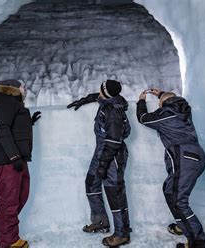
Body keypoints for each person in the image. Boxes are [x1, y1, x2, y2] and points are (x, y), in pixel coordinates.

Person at [136, 89, 205, 248]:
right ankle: (185, 226)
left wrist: (141, 101)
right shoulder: (183, 111)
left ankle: (199, 242)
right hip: (195, 157)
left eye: (160, 103)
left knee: (177, 200)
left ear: (163, 104)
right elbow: (171, 99)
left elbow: (143, 118)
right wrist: (162, 94)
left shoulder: (166, 113)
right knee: (171, 192)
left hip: (184, 158)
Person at [67, 80, 132, 247]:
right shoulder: (108, 100)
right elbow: (98, 96)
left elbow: (114, 142)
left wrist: (103, 165)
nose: (98, 91)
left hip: (112, 155)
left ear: (106, 92)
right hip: (102, 152)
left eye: (101, 88)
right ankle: (100, 221)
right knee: (91, 183)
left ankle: (122, 234)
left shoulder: (112, 112)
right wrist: (84, 100)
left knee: (114, 192)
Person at [0, 79, 41, 248]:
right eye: (22, 86)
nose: (24, 89)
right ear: (12, 89)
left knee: (20, 197)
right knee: (10, 202)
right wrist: (14, 157)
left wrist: (29, 122)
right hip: (7, 161)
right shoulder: (5, 102)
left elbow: (13, 127)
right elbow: (3, 129)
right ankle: (9, 241)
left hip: (16, 159)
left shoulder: (12, 104)